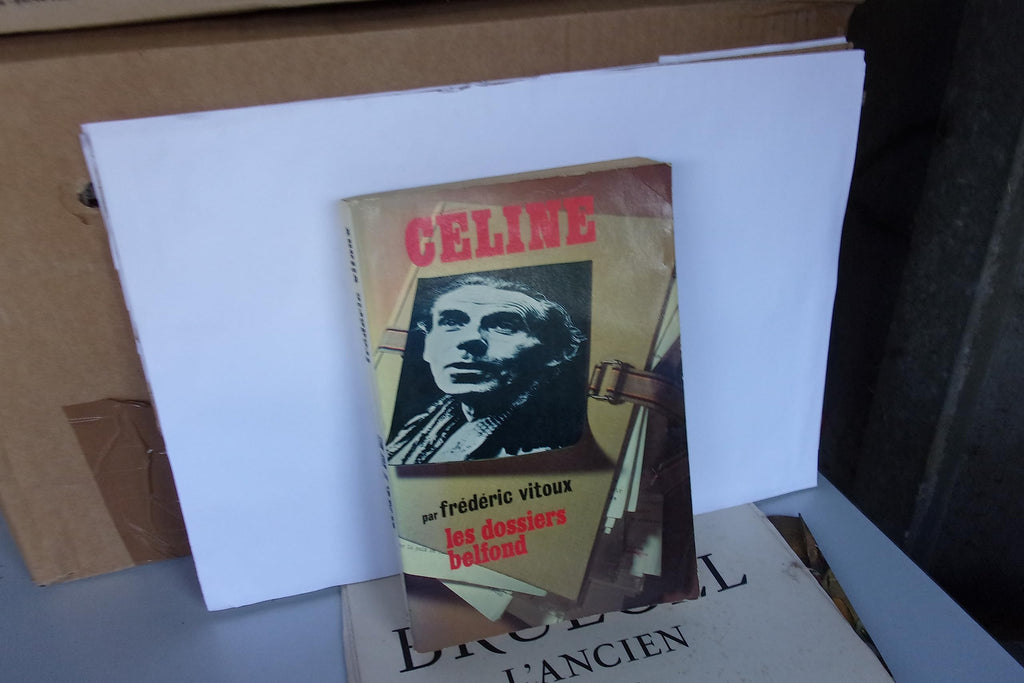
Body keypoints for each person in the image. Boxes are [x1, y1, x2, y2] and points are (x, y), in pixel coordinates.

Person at [387, 273, 587, 464]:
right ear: (427, 346)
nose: (470, 339)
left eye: (504, 325)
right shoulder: (425, 423)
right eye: (451, 322)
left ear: (553, 352)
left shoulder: (555, 442)